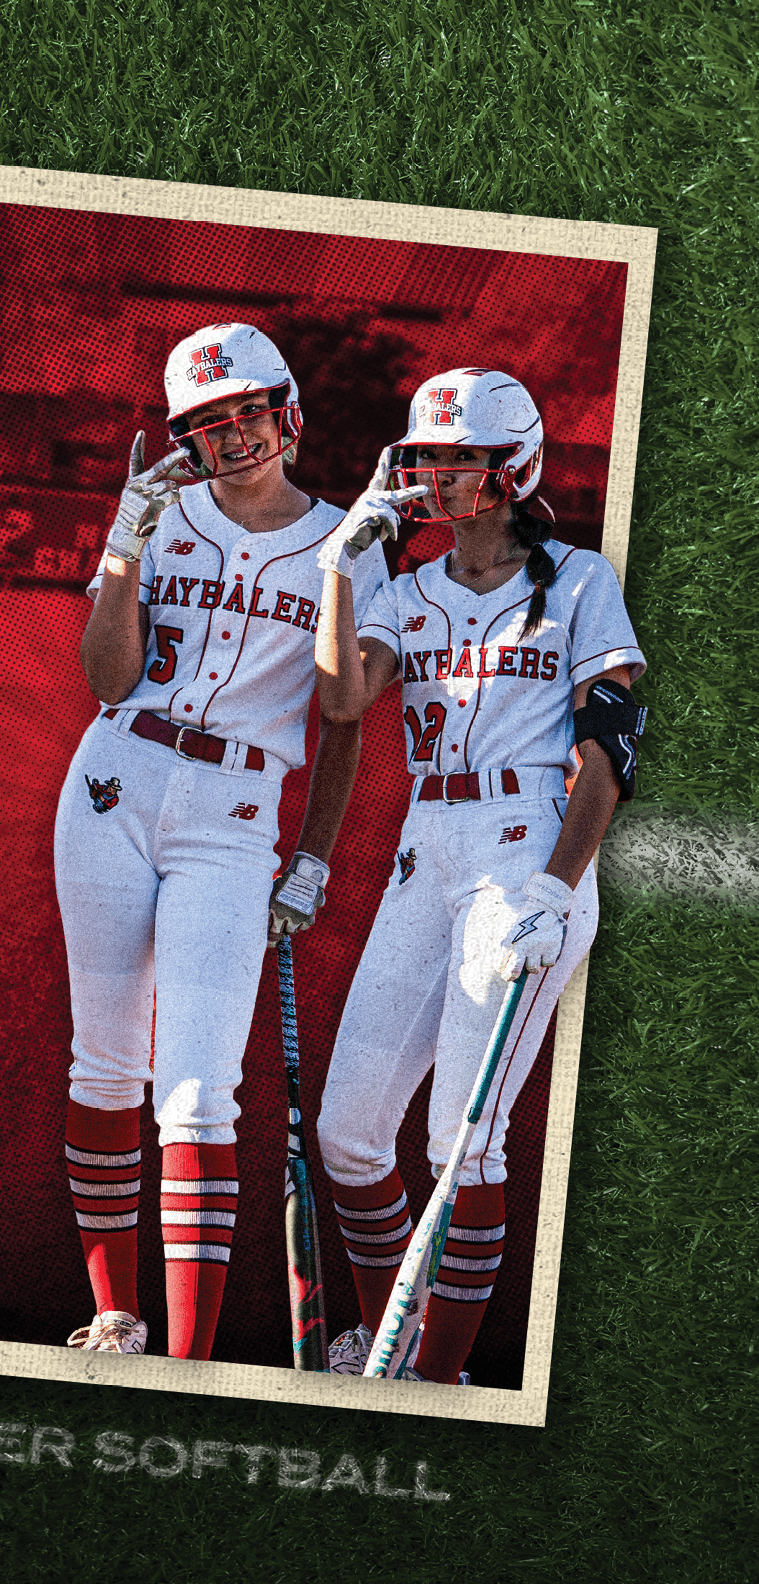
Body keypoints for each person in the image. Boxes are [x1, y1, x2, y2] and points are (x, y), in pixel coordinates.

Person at [53, 323, 388, 1360]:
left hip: (238, 810)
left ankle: (188, 1364)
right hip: (115, 777)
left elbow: (343, 717)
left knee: (199, 1092)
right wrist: (125, 541)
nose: (234, 434)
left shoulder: (347, 539)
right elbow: (107, 679)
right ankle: (117, 1320)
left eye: (249, 411)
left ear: (287, 412)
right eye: (208, 421)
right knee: (107, 1064)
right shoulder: (163, 514)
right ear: (184, 436)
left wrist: (314, 856)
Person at [312, 368, 647, 1384]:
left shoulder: (579, 580)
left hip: (526, 851)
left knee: (464, 1140)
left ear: (513, 468)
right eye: (428, 458)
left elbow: (609, 752)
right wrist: (339, 566)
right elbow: (343, 704)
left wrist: (557, 886)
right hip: (428, 846)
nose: (439, 476)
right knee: (349, 1134)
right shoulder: (406, 589)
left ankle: (438, 1383)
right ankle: (391, 1345)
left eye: (461, 458)